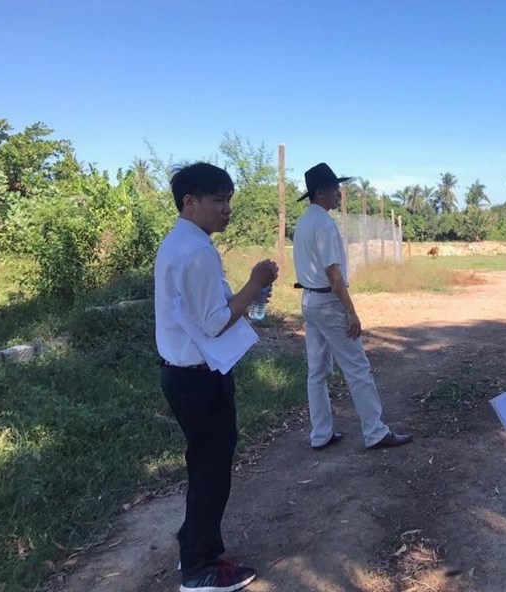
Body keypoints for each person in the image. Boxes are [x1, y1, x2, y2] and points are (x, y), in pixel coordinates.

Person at [155, 162, 279, 592]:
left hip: (184, 374)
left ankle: (195, 544)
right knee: (211, 471)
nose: (227, 209)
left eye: (229, 200)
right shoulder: (197, 251)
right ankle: (200, 568)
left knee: (204, 465)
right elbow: (214, 322)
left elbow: (203, 309)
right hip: (199, 379)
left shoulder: (181, 242)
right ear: (189, 202)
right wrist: (255, 283)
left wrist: (249, 294)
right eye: (218, 200)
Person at [293, 162, 412, 451]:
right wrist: (351, 312)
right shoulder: (323, 223)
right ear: (320, 192)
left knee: (316, 371)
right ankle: (375, 431)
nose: (339, 194)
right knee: (357, 367)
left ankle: (321, 434)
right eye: (335, 188)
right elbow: (333, 272)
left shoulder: (304, 222)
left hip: (309, 300)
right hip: (328, 302)